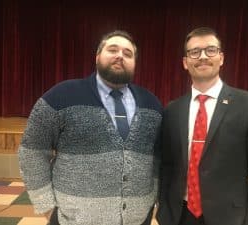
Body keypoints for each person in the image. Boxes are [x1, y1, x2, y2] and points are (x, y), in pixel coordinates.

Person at [18, 30, 162, 225]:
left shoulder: (151, 104)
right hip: (74, 220)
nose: (120, 55)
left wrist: (151, 200)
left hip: (137, 220)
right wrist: (46, 206)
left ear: (134, 63)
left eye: (128, 53)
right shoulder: (61, 96)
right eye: (113, 49)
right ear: (97, 57)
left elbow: (158, 158)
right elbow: (32, 151)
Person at [156, 27, 248, 225]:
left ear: (221, 58)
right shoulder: (172, 110)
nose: (203, 57)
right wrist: (164, 211)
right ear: (185, 63)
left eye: (210, 50)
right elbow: (167, 167)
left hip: (231, 219)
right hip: (179, 216)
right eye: (194, 52)